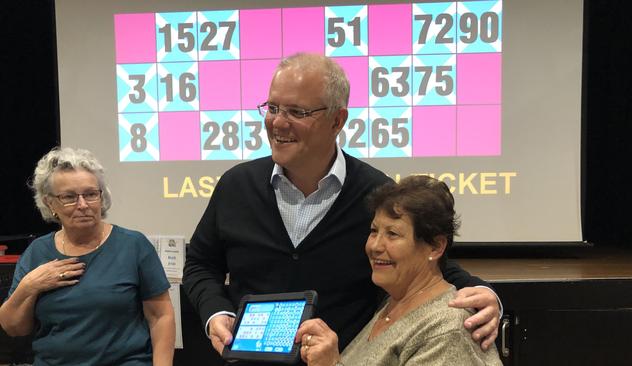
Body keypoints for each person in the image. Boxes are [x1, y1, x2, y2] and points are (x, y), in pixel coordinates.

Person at [183, 53, 500, 362]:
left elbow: (426, 261)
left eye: (297, 112)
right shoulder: (236, 186)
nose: (278, 122)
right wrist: (216, 312)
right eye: (273, 107)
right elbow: (200, 262)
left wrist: (486, 295)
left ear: (337, 120)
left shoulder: (376, 194)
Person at [296, 176, 502, 366]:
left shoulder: (446, 330)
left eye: (392, 234)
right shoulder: (392, 304)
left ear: (435, 247)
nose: (375, 246)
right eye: (374, 231)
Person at [0, 147, 175, 366]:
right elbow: (15, 328)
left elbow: (161, 317)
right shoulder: (37, 252)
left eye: (91, 194)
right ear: (49, 203)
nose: (83, 205)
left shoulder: (133, 245)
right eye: (69, 197)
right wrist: (29, 285)